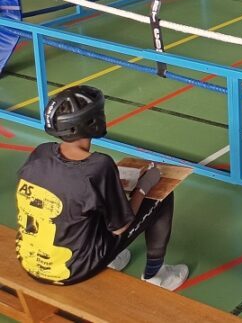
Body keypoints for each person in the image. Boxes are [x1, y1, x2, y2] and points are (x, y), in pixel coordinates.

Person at [15, 86, 187, 289]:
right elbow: (121, 226)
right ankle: (155, 274)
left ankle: (114, 259)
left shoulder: (41, 152)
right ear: (91, 122)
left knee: (89, 203)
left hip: (30, 260)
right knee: (162, 194)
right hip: (73, 269)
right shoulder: (99, 166)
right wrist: (144, 186)